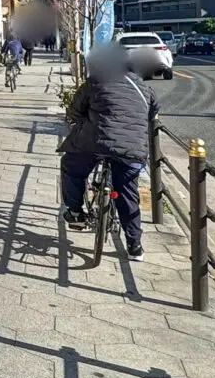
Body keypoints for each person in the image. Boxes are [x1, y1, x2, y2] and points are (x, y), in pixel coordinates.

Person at [60, 44, 158, 261]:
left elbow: (75, 109)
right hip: (132, 148)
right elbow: (152, 114)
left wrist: (77, 119)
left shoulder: (96, 80)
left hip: (94, 141)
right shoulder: (145, 88)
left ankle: (75, 213)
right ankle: (135, 246)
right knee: (127, 192)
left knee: (71, 166)